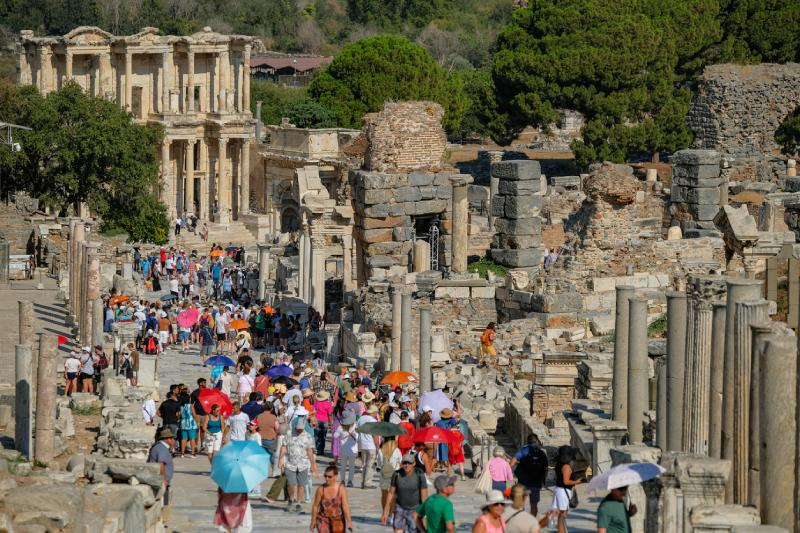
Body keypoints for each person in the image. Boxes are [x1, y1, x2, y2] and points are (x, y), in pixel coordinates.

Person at [278, 411, 317, 513]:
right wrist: (280, 459)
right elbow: (284, 447)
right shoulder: (289, 434)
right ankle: (291, 498)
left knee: (301, 484)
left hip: (303, 464)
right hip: (290, 463)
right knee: (291, 483)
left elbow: (310, 451)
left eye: (301, 428)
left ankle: (299, 502)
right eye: (298, 428)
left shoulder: (308, 436)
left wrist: (313, 465)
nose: (299, 430)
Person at [382, 452, 428, 533]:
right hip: (400, 508)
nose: (406, 465)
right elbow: (391, 493)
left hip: (415, 509)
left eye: (409, 463)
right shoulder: (397, 474)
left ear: (414, 463)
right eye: (404, 463)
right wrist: (385, 512)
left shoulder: (419, 474)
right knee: (397, 531)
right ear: (401, 464)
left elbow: (424, 495)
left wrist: (425, 514)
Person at [509, 434, 549, 514]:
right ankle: (532, 521)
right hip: (536, 482)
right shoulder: (541, 452)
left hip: (523, 481)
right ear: (537, 441)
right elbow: (546, 468)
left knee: (520, 502)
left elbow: (512, 463)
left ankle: (522, 521)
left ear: (527, 441)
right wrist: (543, 481)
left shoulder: (524, 450)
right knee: (534, 504)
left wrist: (511, 473)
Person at [310, 465, 354, 533]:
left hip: (338, 521)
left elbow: (345, 506)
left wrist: (349, 522)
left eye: (330, 477)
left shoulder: (341, 489)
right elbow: (315, 506)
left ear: (335, 476)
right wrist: (313, 521)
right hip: (323, 520)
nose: (327, 478)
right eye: (325, 476)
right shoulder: (321, 489)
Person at [552, 446, 583, 533]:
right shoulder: (566, 466)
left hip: (559, 490)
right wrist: (576, 482)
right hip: (563, 491)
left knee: (561, 514)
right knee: (563, 515)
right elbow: (566, 481)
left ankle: (561, 531)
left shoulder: (558, 464)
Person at [147, 428, 176, 506]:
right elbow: (161, 464)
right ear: (166, 439)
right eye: (171, 438)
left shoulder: (162, 447)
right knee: (163, 504)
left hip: (161, 481)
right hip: (161, 482)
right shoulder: (161, 448)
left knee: (164, 502)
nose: (174, 440)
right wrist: (163, 479)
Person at [356, 404, 379, 489]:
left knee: (365, 464)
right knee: (371, 465)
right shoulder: (373, 421)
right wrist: (377, 446)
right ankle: (367, 483)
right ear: (374, 412)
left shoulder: (361, 418)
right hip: (371, 444)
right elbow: (375, 435)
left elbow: (356, 429)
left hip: (362, 444)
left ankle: (363, 482)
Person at [334, 411, 358, 487]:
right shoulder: (355, 427)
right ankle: (350, 481)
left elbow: (335, 436)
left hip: (343, 449)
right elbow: (357, 437)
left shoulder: (340, 427)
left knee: (343, 466)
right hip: (353, 450)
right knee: (351, 466)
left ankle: (342, 481)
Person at [379, 436, 403, 513]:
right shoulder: (397, 450)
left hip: (384, 474)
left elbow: (379, 463)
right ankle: (391, 514)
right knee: (392, 495)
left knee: (384, 495)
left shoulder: (381, 450)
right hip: (394, 475)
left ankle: (384, 512)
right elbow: (401, 462)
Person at [313, 390, 333, 457]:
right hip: (325, 421)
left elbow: (314, 411)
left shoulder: (316, 403)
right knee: (323, 436)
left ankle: (317, 450)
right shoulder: (328, 404)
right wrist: (330, 423)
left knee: (317, 435)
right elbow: (329, 414)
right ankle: (321, 450)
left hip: (317, 420)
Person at [179, 392, 198, 458]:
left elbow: (179, 415)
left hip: (183, 424)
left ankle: (182, 453)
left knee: (184, 439)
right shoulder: (190, 406)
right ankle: (192, 454)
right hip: (191, 424)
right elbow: (194, 415)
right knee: (192, 439)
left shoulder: (181, 406)